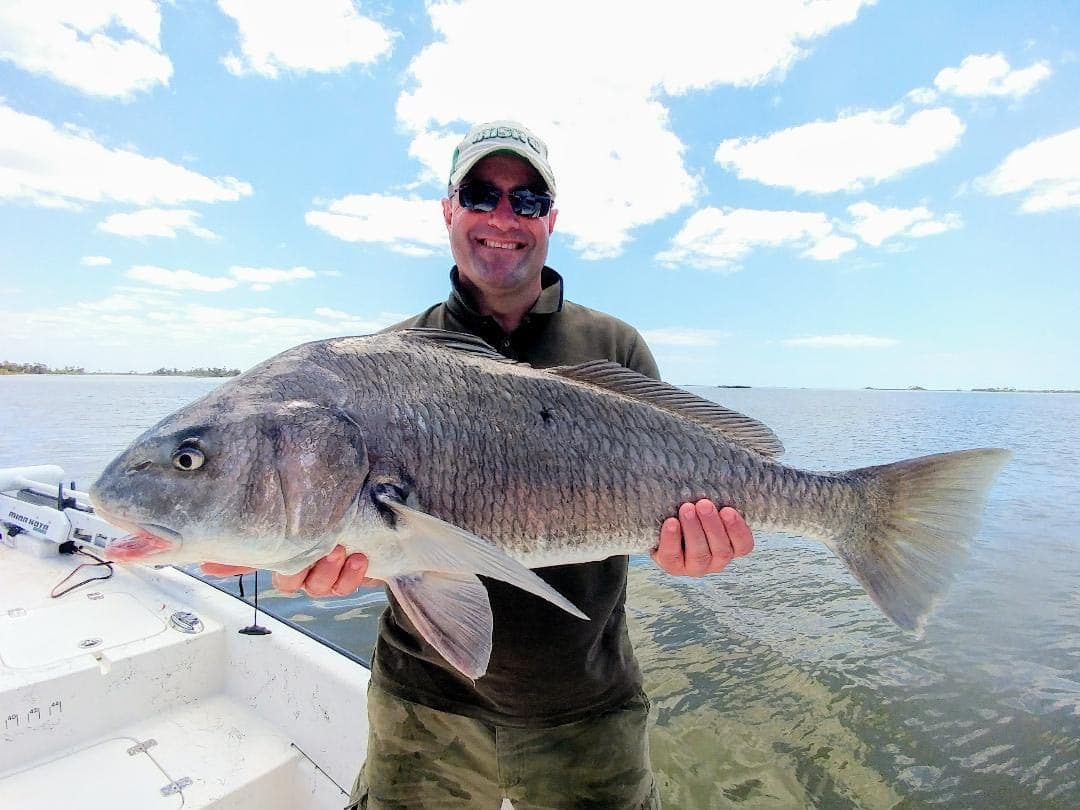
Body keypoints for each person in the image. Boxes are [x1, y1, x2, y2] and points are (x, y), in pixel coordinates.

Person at [203, 120, 755, 809]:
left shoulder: (616, 346)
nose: (502, 217)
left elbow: (669, 518)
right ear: (447, 209)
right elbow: (355, 540)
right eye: (479, 194)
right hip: (423, 709)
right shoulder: (383, 361)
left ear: (550, 218)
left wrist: (692, 550)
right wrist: (308, 561)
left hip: (585, 710)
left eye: (526, 200)